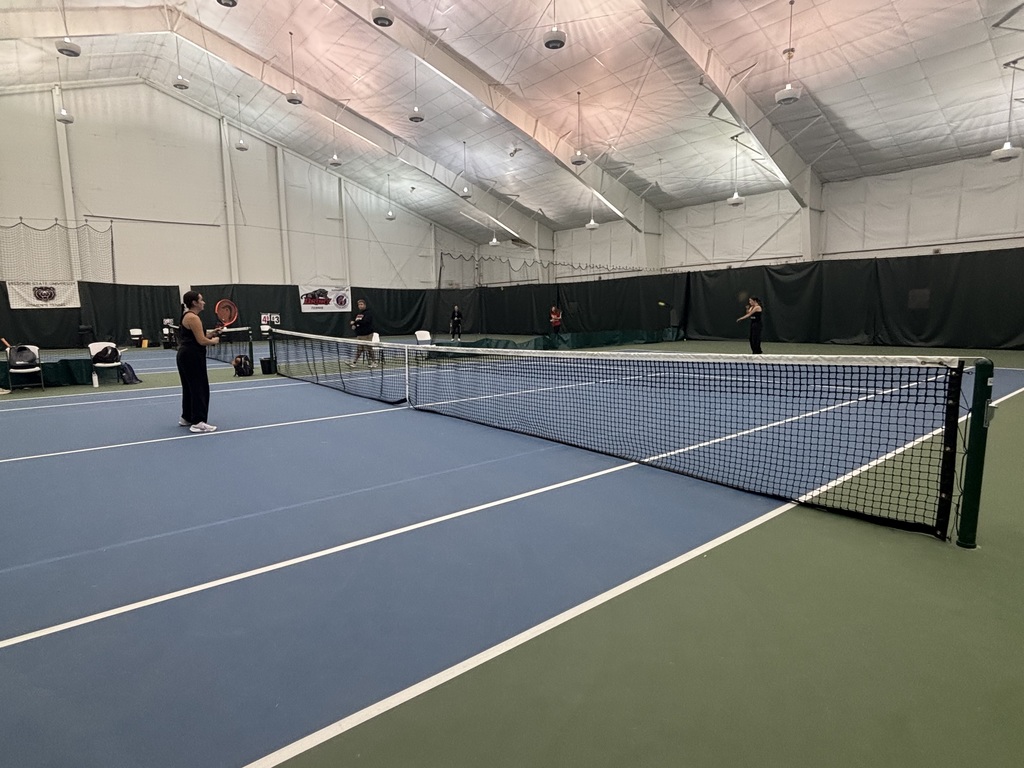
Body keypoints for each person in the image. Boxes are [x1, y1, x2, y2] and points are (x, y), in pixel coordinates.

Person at [176, 291, 221, 433]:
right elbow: (201, 341)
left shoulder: (188, 316)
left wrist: (212, 333)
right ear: (194, 303)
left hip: (185, 355)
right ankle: (198, 422)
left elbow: (198, 336)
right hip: (192, 356)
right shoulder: (193, 318)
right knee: (199, 388)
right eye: (201, 300)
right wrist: (213, 341)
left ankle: (187, 417)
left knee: (189, 387)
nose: (204, 302)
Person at [349, 298, 377, 366]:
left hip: (367, 334)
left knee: (369, 348)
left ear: (365, 305)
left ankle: (374, 362)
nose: (360, 306)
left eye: (361, 304)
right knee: (359, 349)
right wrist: (354, 325)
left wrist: (355, 322)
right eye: (359, 305)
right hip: (359, 334)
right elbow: (356, 322)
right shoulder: (358, 314)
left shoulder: (368, 313)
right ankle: (354, 362)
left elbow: (365, 322)